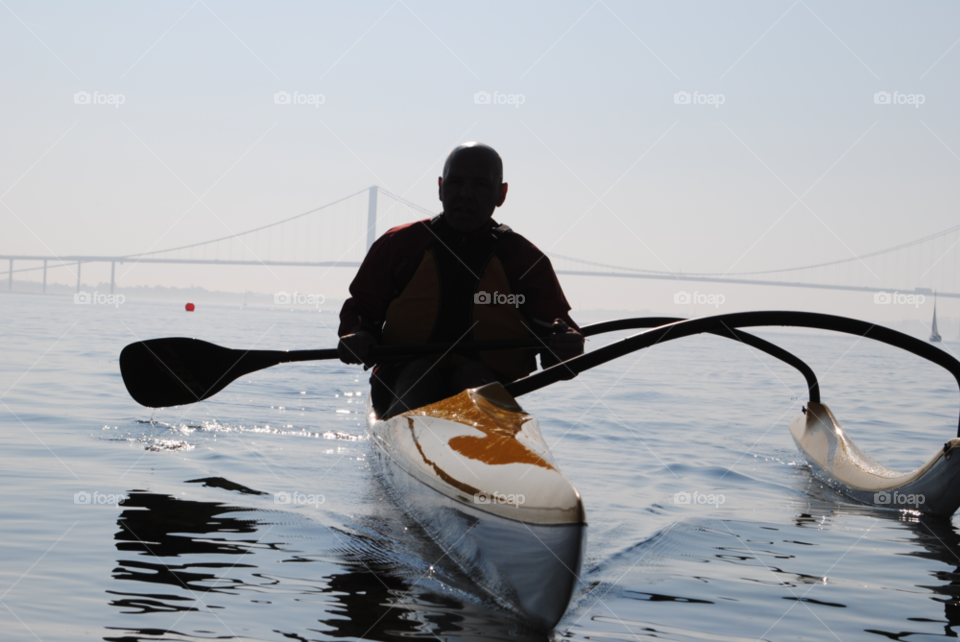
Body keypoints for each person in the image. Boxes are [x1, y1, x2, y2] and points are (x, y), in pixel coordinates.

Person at [338, 142, 584, 418]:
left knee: (472, 375)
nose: (465, 194)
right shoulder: (398, 245)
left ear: (501, 194)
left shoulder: (525, 261)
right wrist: (358, 336)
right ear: (441, 188)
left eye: (480, 185)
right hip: (400, 380)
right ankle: (411, 432)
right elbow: (360, 314)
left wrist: (566, 348)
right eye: (456, 183)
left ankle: (492, 441)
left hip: (486, 383)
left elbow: (559, 355)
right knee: (423, 374)